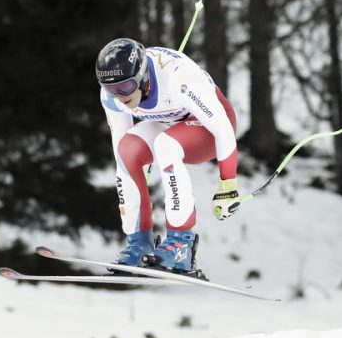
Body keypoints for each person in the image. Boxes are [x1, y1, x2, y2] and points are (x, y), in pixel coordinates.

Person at [96, 37, 240, 272]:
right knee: (126, 152)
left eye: (126, 87)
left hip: (210, 129)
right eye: (111, 88)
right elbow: (120, 148)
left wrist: (228, 184)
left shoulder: (178, 78)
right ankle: (138, 244)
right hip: (169, 124)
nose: (119, 95)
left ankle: (180, 243)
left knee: (166, 144)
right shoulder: (111, 98)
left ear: (142, 76)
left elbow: (222, 128)